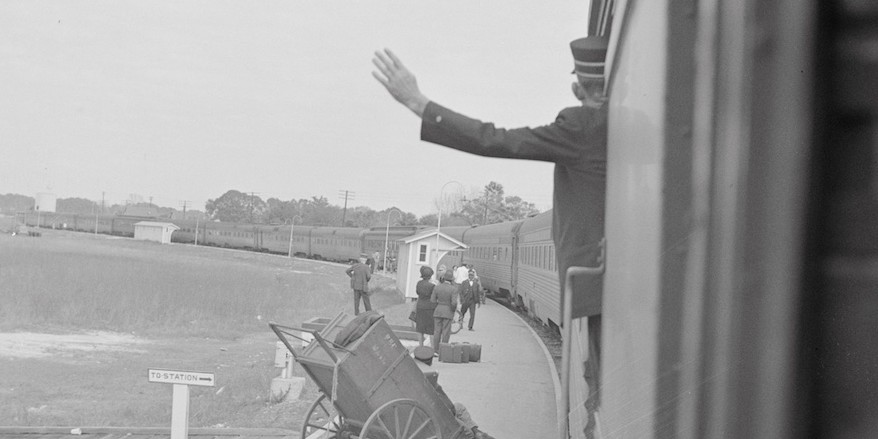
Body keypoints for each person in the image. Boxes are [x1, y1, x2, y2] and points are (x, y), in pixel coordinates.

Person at [373, 36, 608, 438]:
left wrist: (419, 104)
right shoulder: (641, 123)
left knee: (597, 392)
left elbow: (495, 139)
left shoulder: (583, 127)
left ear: (577, 86)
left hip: (596, 287)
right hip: (622, 281)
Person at [430, 271, 459, 349]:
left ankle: (435, 349)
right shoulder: (454, 289)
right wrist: (453, 311)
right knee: (446, 332)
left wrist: (438, 305)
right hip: (448, 312)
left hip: (438, 310)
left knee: (437, 331)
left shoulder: (437, 287)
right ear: (452, 280)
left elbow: (432, 300)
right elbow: (454, 303)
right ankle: (443, 349)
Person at [415, 265, 437, 346]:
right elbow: (434, 296)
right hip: (430, 308)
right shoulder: (432, 286)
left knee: (420, 328)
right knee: (431, 329)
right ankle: (432, 347)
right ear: (430, 276)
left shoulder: (419, 283)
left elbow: (417, 292)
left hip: (420, 306)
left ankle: (421, 345)